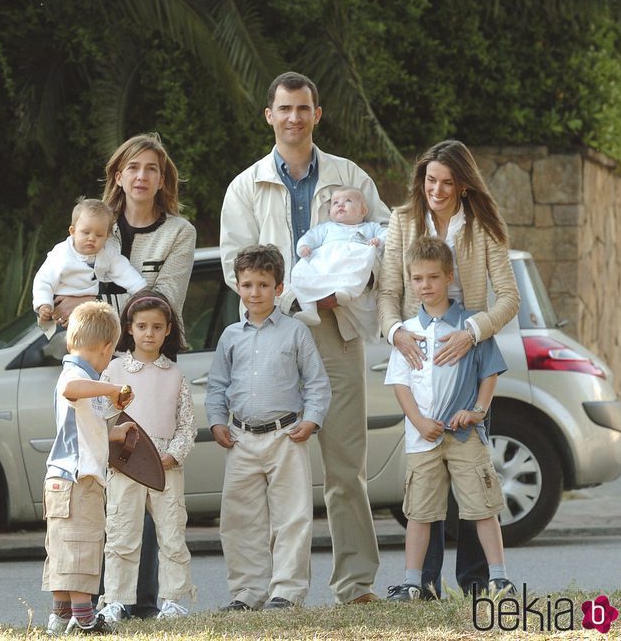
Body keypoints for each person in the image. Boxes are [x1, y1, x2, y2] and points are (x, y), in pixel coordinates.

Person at [219, 71, 387, 605]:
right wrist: (297, 305)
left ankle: (355, 585)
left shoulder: (348, 175)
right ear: (269, 115)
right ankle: (270, 592)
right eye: (284, 108)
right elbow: (234, 265)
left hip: (337, 334)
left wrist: (344, 295)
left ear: (318, 114)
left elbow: (385, 245)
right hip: (270, 339)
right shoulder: (245, 187)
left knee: (345, 466)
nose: (294, 117)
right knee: (265, 472)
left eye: (303, 108)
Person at [54, 133, 198, 618]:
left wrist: (87, 304)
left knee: (153, 481)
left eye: (152, 169)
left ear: (163, 179)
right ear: (118, 174)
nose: (142, 176)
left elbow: (166, 304)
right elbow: (57, 298)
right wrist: (71, 306)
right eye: (133, 167)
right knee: (106, 489)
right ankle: (99, 601)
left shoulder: (179, 232)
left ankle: (155, 600)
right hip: (99, 368)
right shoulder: (97, 226)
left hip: (151, 366)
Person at [377, 139, 520, 598]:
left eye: (448, 182)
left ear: (463, 185)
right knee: (427, 477)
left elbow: (509, 298)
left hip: (468, 356)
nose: (437, 190)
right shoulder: (402, 221)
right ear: (422, 179)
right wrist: (396, 332)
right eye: (430, 180)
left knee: (472, 472)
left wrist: (473, 332)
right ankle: (424, 584)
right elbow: (386, 293)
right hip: (420, 354)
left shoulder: (484, 228)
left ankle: (479, 581)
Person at [206, 245, 331, 610]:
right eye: (247, 284)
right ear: (238, 286)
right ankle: (247, 593)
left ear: (279, 288)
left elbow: (317, 382)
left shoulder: (295, 333)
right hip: (241, 438)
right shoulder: (230, 336)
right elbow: (217, 385)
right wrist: (216, 421)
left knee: (291, 517)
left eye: (263, 284)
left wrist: (311, 419)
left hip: (286, 436)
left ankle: (286, 592)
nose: (255, 292)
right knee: (239, 519)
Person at [97, 291, 197, 623]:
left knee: (171, 532)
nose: (149, 333)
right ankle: (115, 599)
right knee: (122, 531)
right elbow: (101, 415)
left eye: (157, 326)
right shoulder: (115, 370)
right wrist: (113, 451)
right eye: (142, 326)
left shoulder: (175, 375)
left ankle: (173, 599)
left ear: (168, 329)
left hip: (166, 464)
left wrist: (174, 454)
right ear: (129, 328)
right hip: (127, 463)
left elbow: (186, 424)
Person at [42, 301, 138, 635]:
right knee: (81, 545)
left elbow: (90, 427)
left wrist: (117, 432)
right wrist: (112, 389)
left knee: (65, 546)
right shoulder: (75, 376)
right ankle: (84, 618)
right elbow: (71, 389)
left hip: (69, 478)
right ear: (106, 348)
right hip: (76, 478)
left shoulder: (86, 380)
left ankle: (61, 613)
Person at [32, 197, 146, 331]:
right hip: (62, 303)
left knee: (96, 337)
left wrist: (140, 289)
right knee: (67, 339)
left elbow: (123, 270)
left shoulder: (107, 253)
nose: (91, 238)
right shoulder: (61, 254)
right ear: (72, 231)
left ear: (107, 237)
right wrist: (44, 304)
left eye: (99, 235)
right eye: (86, 233)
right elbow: (43, 280)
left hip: (92, 306)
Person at [290, 185, 386, 335]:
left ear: (363, 211)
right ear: (330, 213)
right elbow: (310, 237)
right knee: (300, 272)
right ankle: (309, 309)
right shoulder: (326, 228)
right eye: (335, 203)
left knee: (363, 261)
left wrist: (378, 240)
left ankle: (346, 291)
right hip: (326, 264)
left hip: (352, 260)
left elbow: (387, 233)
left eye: (348, 201)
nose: (340, 204)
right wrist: (304, 246)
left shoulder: (369, 227)